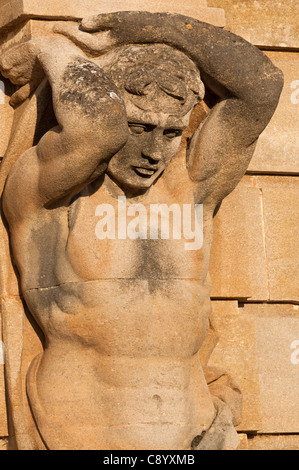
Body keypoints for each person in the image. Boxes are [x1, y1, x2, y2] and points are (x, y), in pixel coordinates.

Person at [0, 12, 283, 450]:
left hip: (195, 432)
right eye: (139, 127)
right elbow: (96, 129)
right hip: (83, 433)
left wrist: (156, 28)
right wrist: (51, 48)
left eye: (171, 132)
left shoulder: (192, 189)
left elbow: (262, 88)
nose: (154, 151)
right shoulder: (50, 196)